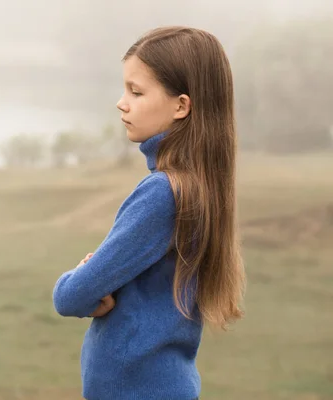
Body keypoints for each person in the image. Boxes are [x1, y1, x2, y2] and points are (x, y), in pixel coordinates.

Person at [52, 26, 246, 400]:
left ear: (181, 105)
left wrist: (80, 279)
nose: (121, 103)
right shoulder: (198, 185)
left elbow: (71, 297)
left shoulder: (162, 193)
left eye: (136, 92)